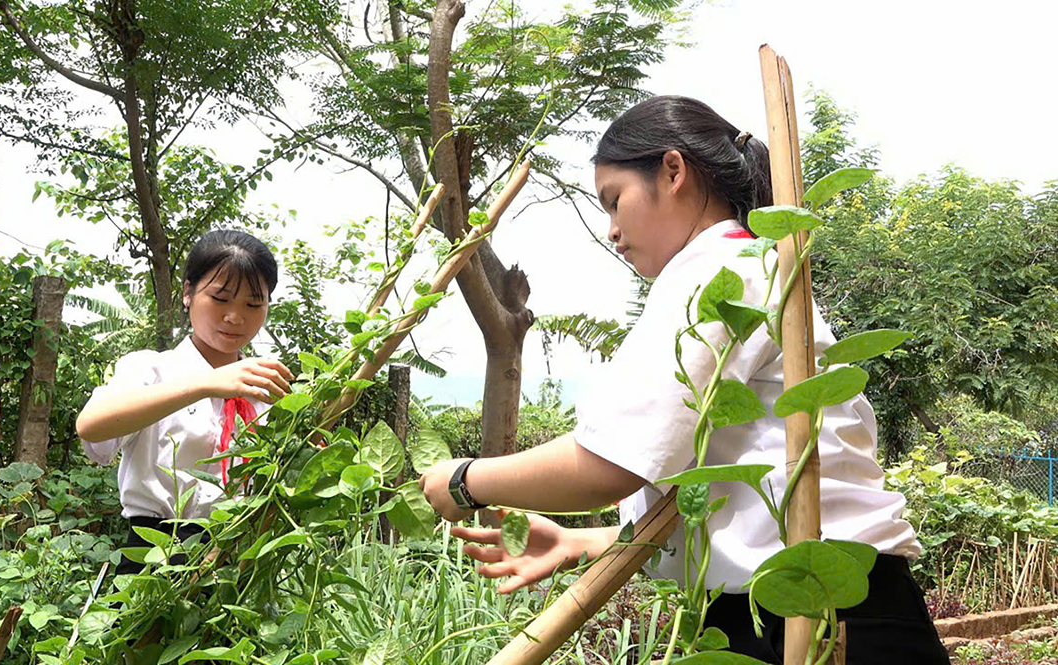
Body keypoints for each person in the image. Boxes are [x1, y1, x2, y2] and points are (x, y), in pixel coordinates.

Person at [419, 96, 949, 664]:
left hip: (820, 618)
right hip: (830, 605)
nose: (612, 231)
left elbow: (609, 467)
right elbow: (733, 494)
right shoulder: (755, 268)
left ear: (673, 170)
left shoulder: (716, 271)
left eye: (614, 201)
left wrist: (465, 481)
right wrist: (587, 541)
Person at [77, 229, 295, 576]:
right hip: (152, 561)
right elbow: (91, 427)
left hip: (236, 567)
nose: (236, 317)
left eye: (253, 304)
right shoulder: (151, 369)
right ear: (188, 294)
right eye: (221, 298)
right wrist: (206, 384)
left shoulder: (268, 392)